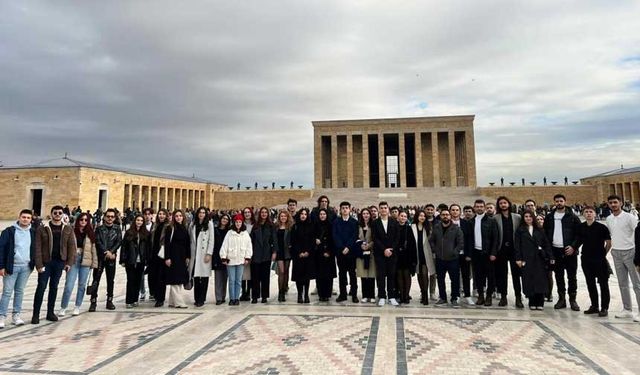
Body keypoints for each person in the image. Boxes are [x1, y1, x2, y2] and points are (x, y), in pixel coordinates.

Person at [32, 205, 76, 324]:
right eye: (55, 213)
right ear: (51, 214)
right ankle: (35, 314)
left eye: (59, 213)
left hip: (59, 262)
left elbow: (72, 246)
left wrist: (69, 263)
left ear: (63, 215)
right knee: (41, 286)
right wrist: (39, 264)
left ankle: (50, 312)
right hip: (46, 262)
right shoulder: (43, 228)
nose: (57, 215)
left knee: (54, 287)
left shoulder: (67, 228)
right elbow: (37, 247)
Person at [544, 194, 581, 311]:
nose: (559, 203)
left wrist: (574, 247)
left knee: (572, 276)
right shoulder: (549, 217)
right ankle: (561, 299)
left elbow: (579, 234)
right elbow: (545, 234)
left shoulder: (573, 217)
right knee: (559, 275)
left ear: (565, 202)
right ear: (554, 202)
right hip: (556, 250)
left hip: (569, 251)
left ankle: (573, 300)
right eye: (557, 201)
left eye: (561, 201)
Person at [605, 195, 640, 321]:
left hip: (630, 251)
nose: (613, 205)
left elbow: (637, 234)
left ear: (620, 203)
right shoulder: (609, 218)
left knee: (637, 283)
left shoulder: (629, 217)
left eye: (615, 202)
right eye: (611, 203)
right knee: (622, 283)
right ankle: (627, 309)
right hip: (617, 252)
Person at [0, 209, 36, 328]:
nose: (25, 219)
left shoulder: (33, 232)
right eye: (23, 217)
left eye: (28, 218)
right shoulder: (9, 231)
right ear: (19, 217)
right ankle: (2, 316)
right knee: (7, 292)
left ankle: (16, 315)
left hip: (26, 267)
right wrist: (1, 266)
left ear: (31, 219)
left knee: (20, 291)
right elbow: (1, 249)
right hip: (12, 266)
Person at [59, 212, 98, 316]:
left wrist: (94, 264)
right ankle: (63, 306)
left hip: (86, 261)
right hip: (73, 260)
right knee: (69, 285)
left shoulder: (90, 232)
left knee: (82, 285)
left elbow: (94, 249)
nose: (83, 222)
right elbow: (65, 244)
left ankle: (77, 306)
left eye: (86, 220)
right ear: (78, 220)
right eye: (81, 220)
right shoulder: (72, 230)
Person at [575, 206, 611, 317]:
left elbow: (608, 243)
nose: (589, 214)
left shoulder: (601, 227)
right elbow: (578, 241)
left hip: (599, 259)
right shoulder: (581, 227)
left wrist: (602, 254)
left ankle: (604, 307)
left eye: (591, 212)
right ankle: (594, 306)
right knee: (590, 283)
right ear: (583, 214)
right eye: (586, 212)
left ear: (595, 214)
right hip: (586, 259)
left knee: (603, 283)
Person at [515, 210, 554, 310]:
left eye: (530, 216)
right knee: (529, 280)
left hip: (539, 259)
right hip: (527, 258)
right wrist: (518, 258)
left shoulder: (540, 230)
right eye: (526, 216)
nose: (528, 218)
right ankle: (532, 301)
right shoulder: (520, 230)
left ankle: (540, 302)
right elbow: (517, 246)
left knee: (540, 280)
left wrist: (550, 257)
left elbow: (546, 244)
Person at [88, 208, 122, 312]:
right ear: (104, 217)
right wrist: (105, 252)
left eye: (112, 217)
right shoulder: (99, 228)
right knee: (96, 279)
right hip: (100, 257)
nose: (110, 218)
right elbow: (97, 241)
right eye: (108, 216)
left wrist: (111, 252)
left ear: (115, 218)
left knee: (110, 280)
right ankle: (93, 301)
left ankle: (109, 300)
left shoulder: (117, 228)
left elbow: (119, 241)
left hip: (111, 257)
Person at [429, 209, 464, 307]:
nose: (445, 216)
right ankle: (443, 298)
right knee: (440, 279)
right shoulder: (436, 228)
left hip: (453, 259)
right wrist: (435, 250)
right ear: (440, 216)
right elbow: (431, 240)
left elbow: (461, 243)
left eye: (447, 215)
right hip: (440, 258)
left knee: (455, 279)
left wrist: (455, 252)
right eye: (443, 215)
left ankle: (454, 298)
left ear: (450, 216)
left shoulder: (456, 228)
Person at [494, 196, 523, 308]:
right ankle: (503, 297)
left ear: (509, 204)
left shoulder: (517, 217)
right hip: (501, 250)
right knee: (502, 274)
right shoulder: (496, 218)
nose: (503, 205)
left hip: (514, 250)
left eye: (505, 203)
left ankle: (518, 297)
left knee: (516, 275)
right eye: (501, 203)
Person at [470, 199, 499, 306]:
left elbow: (495, 238)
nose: (479, 208)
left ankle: (489, 297)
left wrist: (493, 253)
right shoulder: (471, 221)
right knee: (478, 276)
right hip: (476, 253)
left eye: (481, 206)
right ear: (474, 208)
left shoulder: (491, 221)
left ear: (484, 208)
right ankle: (481, 296)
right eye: (477, 206)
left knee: (490, 276)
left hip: (488, 253)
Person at [220, 213, 252, 306]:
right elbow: (225, 245)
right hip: (231, 260)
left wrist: (247, 257)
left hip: (241, 260)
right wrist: (223, 257)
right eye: (236, 222)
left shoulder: (245, 234)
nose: (238, 224)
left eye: (240, 222)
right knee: (231, 280)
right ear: (234, 223)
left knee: (238, 280)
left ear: (242, 223)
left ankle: (237, 298)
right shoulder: (229, 233)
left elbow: (249, 246)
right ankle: (232, 298)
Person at [372, 201, 400, 306]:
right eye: (381, 208)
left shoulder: (394, 222)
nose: (383, 210)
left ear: (388, 209)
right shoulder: (375, 223)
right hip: (380, 253)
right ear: (379, 210)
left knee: (391, 275)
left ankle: (391, 296)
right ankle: (382, 296)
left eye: (385, 208)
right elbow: (375, 238)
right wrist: (384, 249)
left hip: (392, 253)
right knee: (381, 276)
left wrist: (391, 249)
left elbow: (397, 237)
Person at [120, 214, 149, 308]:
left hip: (141, 261)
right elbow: (124, 247)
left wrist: (147, 260)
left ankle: (135, 299)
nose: (139, 222)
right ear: (135, 221)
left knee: (138, 280)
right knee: (130, 280)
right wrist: (123, 260)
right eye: (138, 220)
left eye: (141, 220)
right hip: (130, 260)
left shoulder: (146, 233)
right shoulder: (129, 232)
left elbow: (148, 248)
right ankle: (129, 300)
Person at [332, 201, 359, 303]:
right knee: (342, 274)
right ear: (340, 209)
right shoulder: (336, 222)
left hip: (351, 252)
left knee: (352, 274)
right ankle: (343, 294)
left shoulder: (354, 222)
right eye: (343, 208)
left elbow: (355, 235)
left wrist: (348, 247)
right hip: (340, 252)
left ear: (350, 209)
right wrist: (342, 247)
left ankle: (354, 295)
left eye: (346, 208)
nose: (344, 209)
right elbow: (335, 235)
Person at [164, 210, 190, 308]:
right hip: (173, 256)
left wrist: (188, 256)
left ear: (183, 217)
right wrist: (167, 258)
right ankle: (178, 302)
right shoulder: (170, 228)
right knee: (175, 279)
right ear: (174, 217)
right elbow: (167, 244)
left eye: (180, 216)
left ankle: (172, 301)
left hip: (181, 257)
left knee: (179, 279)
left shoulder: (184, 228)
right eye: (176, 216)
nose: (178, 218)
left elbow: (187, 243)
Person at [189, 207, 215, 307]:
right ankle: (197, 298)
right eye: (200, 212)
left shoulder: (209, 224)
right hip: (194, 253)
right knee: (195, 276)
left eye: (203, 213)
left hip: (204, 253)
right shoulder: (193, 224)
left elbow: (211, 240)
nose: (201, 214)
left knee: (203, 277)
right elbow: (190, 239)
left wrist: (209, 253)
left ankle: (202, 298)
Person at [409, 209, 436, 305]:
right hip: (416, 254)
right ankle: (422, 293)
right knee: (419, 274)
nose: (422, 217)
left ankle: (425, 296)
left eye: (424, 216)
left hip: (426, 254)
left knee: (425, 274)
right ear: (417, 216)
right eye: (420, 215)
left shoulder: (428, 227)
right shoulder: (412, 227)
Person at [250, 207, 275, 303]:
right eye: (262, 212)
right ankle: (255, 296)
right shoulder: (255, 226)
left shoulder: (271, 226)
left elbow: (274, 240)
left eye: (265, 212)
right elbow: (251, 240)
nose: (264, 214)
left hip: (266, 254)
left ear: (268, 214)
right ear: (260, 214)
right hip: (256, 253)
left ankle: (264, 296)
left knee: (265, 276)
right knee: (255, 276)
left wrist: (274, 252)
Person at [291, 208, 316, 303]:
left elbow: (312, 241)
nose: (303, 215)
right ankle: (299, 294)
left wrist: (307, 252)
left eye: (305, 214)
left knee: (306, 276)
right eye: (301, 214)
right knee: (299, 276)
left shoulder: (311, 226)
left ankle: (306, 295)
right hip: (298, 255)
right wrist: (299, 252)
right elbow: (293, 241)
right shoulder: (295, 226)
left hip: (308, 255)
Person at [453, 204, 474, 305]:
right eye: (453, 210)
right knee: (454, 276)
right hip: (452, 255)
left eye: (457, 210)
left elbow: (470, 239)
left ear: (460, 212)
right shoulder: (446, 223)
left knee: (466, 275)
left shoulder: (466, 223)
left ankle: (467, 295)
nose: (455, 212)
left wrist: (469, 254)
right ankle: (456, 295)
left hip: (464, 254)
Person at [314, 208, 336, 302]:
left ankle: (327, 293)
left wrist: (329, 252)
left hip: (329, 253)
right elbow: (312, 238)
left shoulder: (331, 225)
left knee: (328, 275)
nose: (322, 216)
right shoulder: (315, 226)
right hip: (318, 254)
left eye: (324, 214)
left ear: (327, 215)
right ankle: (321, 293)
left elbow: (333, 239)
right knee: (319, 275)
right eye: (321, 214)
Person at [355, 208, 376, 303]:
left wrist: (369, 245)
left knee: (371, 275)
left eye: (367, 213)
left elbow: (375, 238)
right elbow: (355, 238)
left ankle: (371, 295)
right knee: (363, 275)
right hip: (361, 253)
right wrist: (361, 245)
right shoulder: (358, 226)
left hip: (371, 253)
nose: (366, 215)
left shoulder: (374, 225)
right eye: (364, 213)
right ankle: (364, 295)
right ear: (361, 215)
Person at [149, 209, 169, 307]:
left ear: (166, 216)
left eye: (163, 214)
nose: (161, 216)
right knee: (153, 276)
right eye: (160, 214)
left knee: (161, 277)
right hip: (154, 254)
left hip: (162, 254)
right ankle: (156, 295)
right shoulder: (155, 226)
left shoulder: (168, 227)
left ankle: (160, 298)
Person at [396, 211, 416, 304]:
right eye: (401, 216)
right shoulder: (394, 227)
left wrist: (413, 258)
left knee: (407, 275)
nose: (403, 218)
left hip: (407, 255)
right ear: (398, 217)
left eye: (405, 216)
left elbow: (412, 243)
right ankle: (401, 295)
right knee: (399, 275)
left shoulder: (409, 228)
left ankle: (406, 295)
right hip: (397, 254)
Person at [213, 214, 231, 305]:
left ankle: (223, 296)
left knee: (225, 278)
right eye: (223, 218)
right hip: (217, 256)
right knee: (218, 278)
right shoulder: (215, 230)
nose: (224, 220)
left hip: (227, 257)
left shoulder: (229, 231)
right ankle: (218, 298)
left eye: (226, 219)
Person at [240, 207, 255, 302]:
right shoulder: (240, 224)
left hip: (251, 251)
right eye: (245, 212)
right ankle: (243, 293)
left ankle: (248, 292)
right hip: (241, 251)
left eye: (249, 212)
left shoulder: (254, 225)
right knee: (242, 273)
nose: (247, 214)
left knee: (250, 273)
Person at [140, 208, 155, 301]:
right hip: (142, 253)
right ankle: (142, 291)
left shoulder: (155, 226)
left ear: (152, 215)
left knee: (152, 274)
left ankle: (152, 292)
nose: (147, 216)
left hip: (152, 254)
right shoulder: (140, 226)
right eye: (145, 214)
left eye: (149, 214)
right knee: (140, 274)